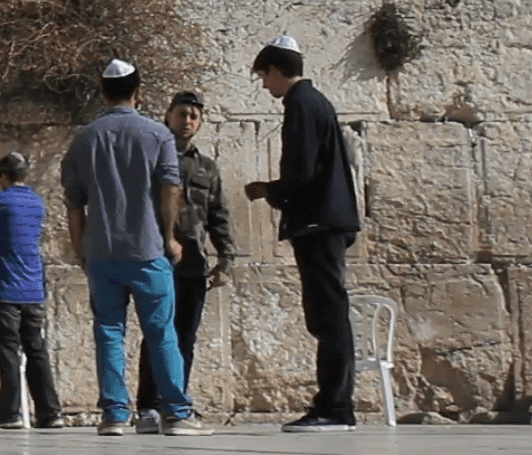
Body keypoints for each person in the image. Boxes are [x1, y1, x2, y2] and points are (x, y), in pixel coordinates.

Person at [60, 60, 211, 437]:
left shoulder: (84, 139)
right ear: (138, 92)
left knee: (109, 331)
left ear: (103, 91)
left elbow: (74, 203)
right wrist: (170, 236)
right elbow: (169, 188)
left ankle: (114, 413)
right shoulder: (157, 135)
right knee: (162, 332)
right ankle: (176, 412)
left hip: (102, 250)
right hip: (147, 250)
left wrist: (80, 248)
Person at [243, 36, 363, 432]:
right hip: (325, 221)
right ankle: (333, 404)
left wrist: (268, 190)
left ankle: (335, 408)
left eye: (264, 77)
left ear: (277, 71)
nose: (265, 86)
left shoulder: (300, 104)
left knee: (328, 317)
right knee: (328, 315)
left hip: (318, 223)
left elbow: (303, 171)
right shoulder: (315, 102)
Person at [134, 92, 239, 434]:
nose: (188, 120)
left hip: (193, 263)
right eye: (182, 113)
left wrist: (226, 258)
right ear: (168, 115)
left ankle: (175, 405)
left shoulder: (206, 167)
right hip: (158, 259)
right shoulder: (151, 160)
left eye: (194, 115)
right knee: (155, 333)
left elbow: (218, 214)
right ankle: (148, 406)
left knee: (185, 338)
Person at [0, 152, 63, 429]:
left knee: (9, 352)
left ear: (4, 176)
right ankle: (50, 412)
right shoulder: (37, 202)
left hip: (4, 288)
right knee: (37, 350)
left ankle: (9, 414)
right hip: (33, 288)